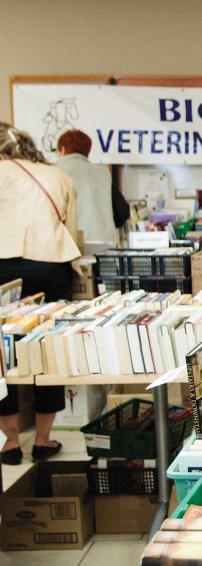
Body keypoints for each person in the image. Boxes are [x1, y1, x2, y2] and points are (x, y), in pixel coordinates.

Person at [0, 122, 81, 465]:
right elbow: (71, 229)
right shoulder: (57, 176)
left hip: (1, 266)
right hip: (51, 265)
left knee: (3, 354)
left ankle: (10, 441)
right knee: (47, 349)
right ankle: (44, 439)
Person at [55, 129, 117, 243]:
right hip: (103, 244)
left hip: (69, 245)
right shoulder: (103, 173)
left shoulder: (53, 172)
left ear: (62, 149)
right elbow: (122, 212)